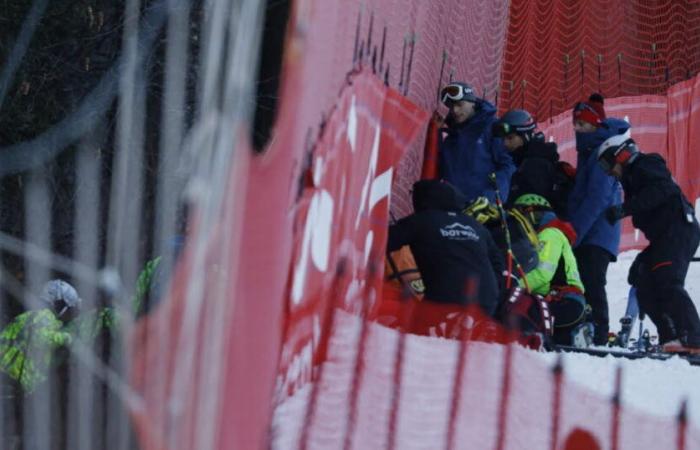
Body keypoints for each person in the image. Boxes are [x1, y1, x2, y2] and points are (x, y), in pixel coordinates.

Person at [598, 134, 700, 352]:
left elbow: (663, 191)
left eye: (607, 164)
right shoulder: (632, 178)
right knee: (642, 276)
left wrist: (625, 209)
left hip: (679, 229)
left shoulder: (647, 164)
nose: (608, 171)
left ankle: (693, 338)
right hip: (665, 236)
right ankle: (671, 337)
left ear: (621, 155)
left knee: (667, 279)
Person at [387, 179, 504, 316]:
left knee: (416, 329)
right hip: (486, 300)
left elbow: (384, 240)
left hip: (444, 299)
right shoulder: (477, 227)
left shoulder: (422, 220)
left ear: (423, 198)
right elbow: (498, 263)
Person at [567, 93, 629, 345]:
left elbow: (597, 198)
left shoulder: (601, 152)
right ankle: (586, 329)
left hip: (597, 232)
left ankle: (600, 334)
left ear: (595, 125)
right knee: (582, 279)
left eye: (582, 124)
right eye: (575, 124)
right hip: (590, 231)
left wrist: (575, 232)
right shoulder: (589, 150)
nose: (577, 129)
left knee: (592, 281)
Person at [512, 194, 591, 346]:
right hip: (563, 301)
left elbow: (542, 275)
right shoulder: (548, 233)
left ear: (533, 213)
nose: (521, 223)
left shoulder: (550, 234)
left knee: (516, 313)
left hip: (564, 301)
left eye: (523, 216)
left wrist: (513, 285)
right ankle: (571, 335)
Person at [438, 82, 515, 204]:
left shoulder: (492, 128)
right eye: (451, 106)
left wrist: (491, 198)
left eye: (460, 104)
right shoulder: (451, 136)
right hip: (454, 208)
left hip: (483, 209)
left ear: (472, 102)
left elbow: (507, 165)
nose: (455, 110)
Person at [0, 280, 79, 393]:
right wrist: (67, 338)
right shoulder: (45, 316)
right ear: (60, 304)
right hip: (8, 376)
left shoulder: (31, 315)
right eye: (69, 309)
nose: (70, 315)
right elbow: (40, 337)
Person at [492, 109, 572, 216]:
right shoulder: (528, 161)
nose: (505, 143)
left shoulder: (534, 166)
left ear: (525, 136)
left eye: (510, 138)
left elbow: (533, 212)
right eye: (503, 139)